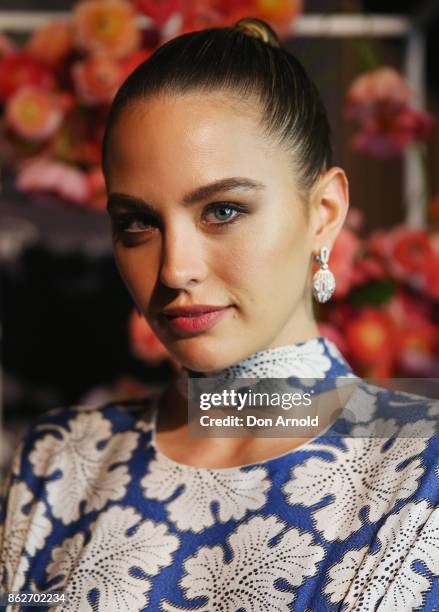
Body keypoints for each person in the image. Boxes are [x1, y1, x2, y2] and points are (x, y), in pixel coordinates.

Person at [1, 16, 438, 612]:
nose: (175, 269)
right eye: (138, 223)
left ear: (324, 212)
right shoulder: (62, 459)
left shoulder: (423, 466)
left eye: (223, 210)